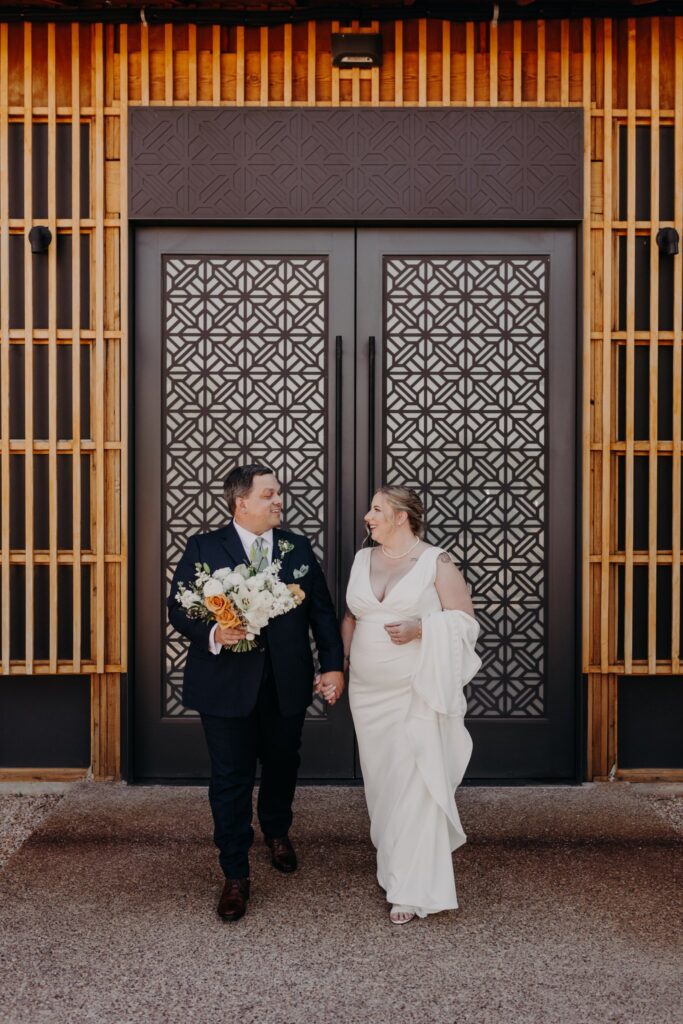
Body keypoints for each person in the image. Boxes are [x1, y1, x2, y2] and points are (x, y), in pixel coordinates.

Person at [168, 464, 345, 921]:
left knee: (283, 763)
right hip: (225, 684)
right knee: (231, 777)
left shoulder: (296, 548)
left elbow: (322, 612)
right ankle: (235, 872)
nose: (278, 500)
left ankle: (277, 831)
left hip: (286, 681)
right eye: (268, 494)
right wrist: (214, 632)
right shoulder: (204, 547)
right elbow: (179, 607)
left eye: (277, 493)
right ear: (240, 502)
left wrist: (332, 665)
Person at [335, 485, 480, 925]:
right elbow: (351, 617)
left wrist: (422, 628)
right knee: (383, 784)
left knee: (415, 781)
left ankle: (413, 888)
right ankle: (395, 862)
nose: (368, 516)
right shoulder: (363, 559)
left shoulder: (437, 562)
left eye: (377, 509)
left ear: (402, 517)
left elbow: (465, 622)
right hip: (367, 693)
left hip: (415, 690)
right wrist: (340, 665)